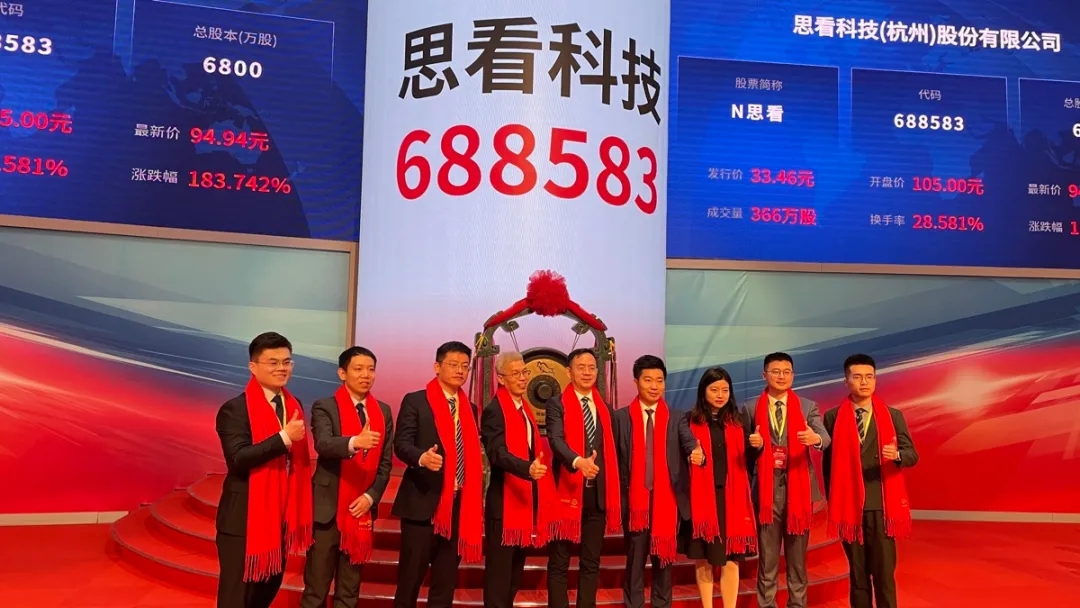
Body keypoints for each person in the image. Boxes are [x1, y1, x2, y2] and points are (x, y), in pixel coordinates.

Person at [214, 332, 313, 608]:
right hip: (244, 517)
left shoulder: (293, 405)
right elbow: (238, 458)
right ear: (253, 367)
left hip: (280, 513)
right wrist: (284, 438)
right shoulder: (235, 409)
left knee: (267, 589)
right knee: (237, 596)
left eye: (286, 362)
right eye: (273, 362)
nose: (282, 368)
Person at [391, 341, 484, 608]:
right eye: (453, 365)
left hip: (458, 507)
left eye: (465, 366)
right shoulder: (416, 401)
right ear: (437, 366)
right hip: (423, 504)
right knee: (410, 581)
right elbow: (402, 443)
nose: (460, 371)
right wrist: (421, 457)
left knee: (445, 583)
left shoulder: (470, 409)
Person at [300, 346, 394, 608]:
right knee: (316, 588)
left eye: (371, 369)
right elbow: (323, 444)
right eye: (358, 369)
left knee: (349, 591)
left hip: (361, 509)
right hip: (328, 511)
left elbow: (385, 463)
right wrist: (355, 442)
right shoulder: (325, 407)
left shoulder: (383, 411)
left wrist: (370, 497)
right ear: (342, 373)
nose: (366, 375)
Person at [823, 354, 919, 608]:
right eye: (857, 377)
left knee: (884, 575)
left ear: (875, 380)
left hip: (881, 506)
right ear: (846, 381)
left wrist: (897, 456)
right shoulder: (833, 417)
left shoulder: (892, 415)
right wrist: (834, 501)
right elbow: (828, 466)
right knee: (858, 576)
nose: (864, 382)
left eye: (869, 377)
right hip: (849, 508)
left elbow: (912, 455)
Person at [744, 352, 830, 608]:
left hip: (799, 492)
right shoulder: (750, 408)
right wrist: (753, 445)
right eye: (775, 371)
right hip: (765, 492)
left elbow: (825, 438)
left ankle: (797, 604)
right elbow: (743, 451)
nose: (781, 376)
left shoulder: (807, 406)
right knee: (767, 561)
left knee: (797, 562)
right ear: (764, 375)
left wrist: (815, 439)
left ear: (793, 375)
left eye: (786, 372)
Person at [612, 355, 694, 608]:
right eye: (648, 380)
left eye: (659, 380)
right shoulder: (620, 418)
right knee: (634, 562)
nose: (654, 386)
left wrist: (696, 451)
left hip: (667, 502)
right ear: (636, 382)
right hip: (634, 502)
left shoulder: (676, 417)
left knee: (664, 562)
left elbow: (688, 441)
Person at [545, 348, 622, 608]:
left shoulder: (605, 409)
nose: (587, 372)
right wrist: (578, 462)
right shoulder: (556, 404)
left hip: (597, 496)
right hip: (565, 492)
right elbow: (556, 440)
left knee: (591, 563)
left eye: (591, 367)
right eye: (581, 367)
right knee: (559, 562)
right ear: (569, 372)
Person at [479, 351, 557, 608]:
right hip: (504, 505)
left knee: (513, 577)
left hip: (524, 503)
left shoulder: (524, 409)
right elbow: (497, 453)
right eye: (516, 374)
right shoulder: (494, 411)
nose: (523, 378)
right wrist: (527, 469)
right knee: (499, 578)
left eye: (525, 372)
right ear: (501, 379)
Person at [678, 367, 757, 608]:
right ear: (703, 391)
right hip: (702, 499)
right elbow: (680, 455)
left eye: (725, 390)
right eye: (714, 389)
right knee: (703, 559)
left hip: (731, 499)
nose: (720, 395)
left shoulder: (738, 421)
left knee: (731, 560)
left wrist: (758, 446)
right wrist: (690, 455)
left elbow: (749, 459)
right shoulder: (689, 420)